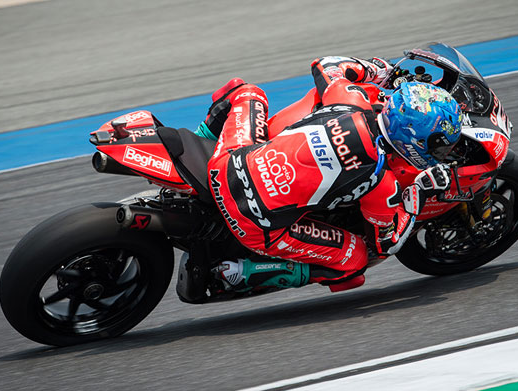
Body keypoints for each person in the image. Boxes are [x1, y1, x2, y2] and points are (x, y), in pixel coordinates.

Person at [197, 56, 462, 293]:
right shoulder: (382, 182)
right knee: (356, 260)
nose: (441, 152)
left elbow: (326, 65)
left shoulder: (350, 99)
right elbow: (387, 244)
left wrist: (377, 70)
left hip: (227, 163)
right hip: (254, 225)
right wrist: (418, 193)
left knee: (248, 92)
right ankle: (241, 273)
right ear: (412, 141)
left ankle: (197, 143)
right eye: (438, 145)